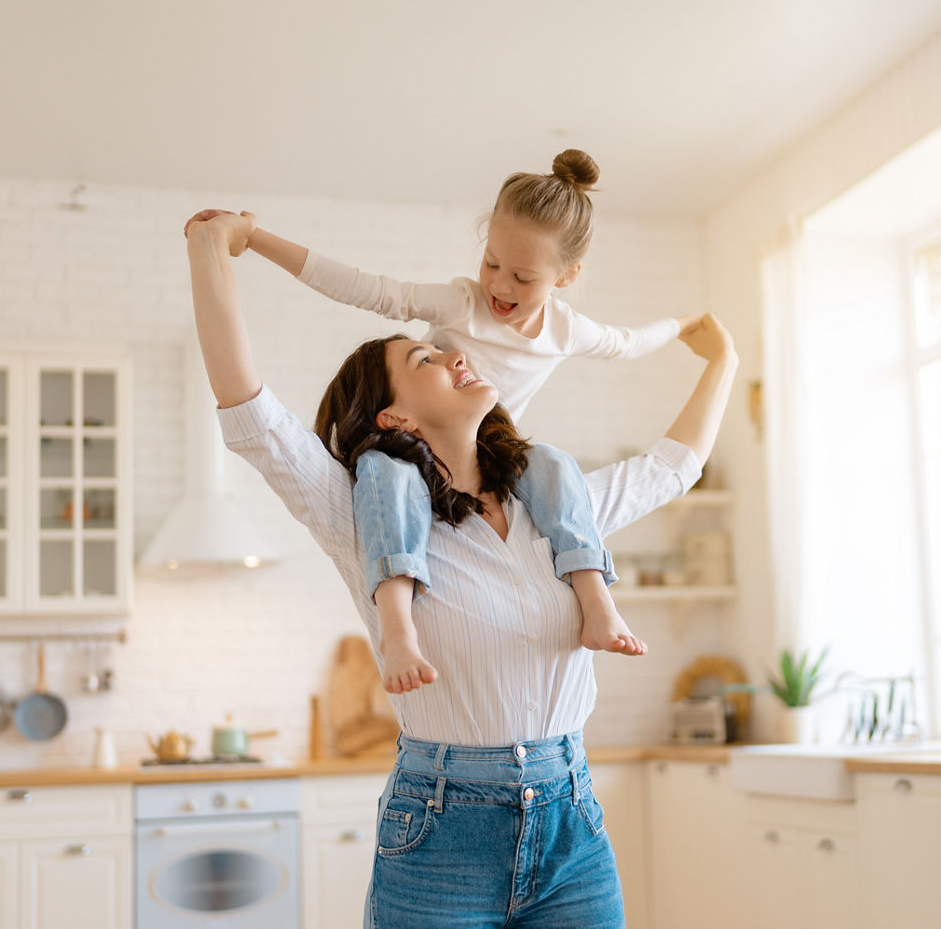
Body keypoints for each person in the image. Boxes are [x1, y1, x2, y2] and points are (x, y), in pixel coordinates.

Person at [184, 207, 737, 928]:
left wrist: (722, 360)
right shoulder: (363, 517)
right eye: (424, 362)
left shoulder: (555, 505)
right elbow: (251, 416)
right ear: (396, 420)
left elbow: (670, 469)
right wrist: (211, 248)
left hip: (571, 823)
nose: (454, 354)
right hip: (441, 830)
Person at [184, 149, 698, 695]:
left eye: (522, 277)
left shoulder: (565, 333)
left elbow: (631, 347)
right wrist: (253, 240)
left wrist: (687, 327)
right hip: (422, 457)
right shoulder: (461, 304)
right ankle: (397, 628)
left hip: (493, 454)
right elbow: (366, 287)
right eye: (491, 263)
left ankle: (597, 601)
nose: (499, 286)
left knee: (551, 462)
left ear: (566, 277)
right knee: (388, 474)